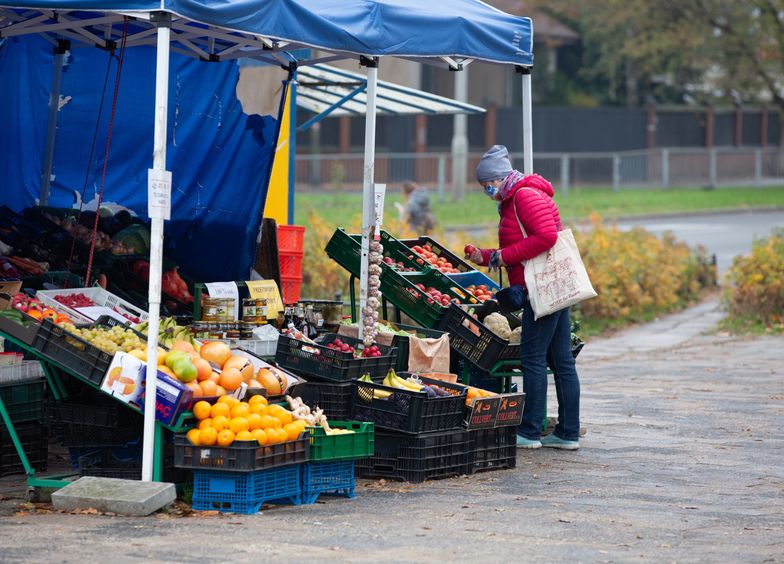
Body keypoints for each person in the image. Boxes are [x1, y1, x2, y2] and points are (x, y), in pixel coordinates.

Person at [465, 145, 581, 450]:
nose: (485, 190)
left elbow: (546, 237)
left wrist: (502, 257)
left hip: (541, 288)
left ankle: (529, 431)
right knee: (560, 360)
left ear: (498, 178)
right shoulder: (515, 198)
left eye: (486, 184)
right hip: (550, 285)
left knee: (532, 357)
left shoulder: (524, 196)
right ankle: (568, 433)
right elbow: (521, 244)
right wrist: (487, 256)